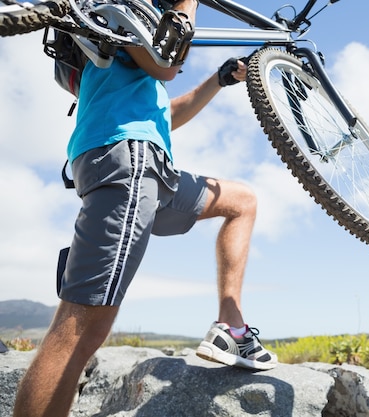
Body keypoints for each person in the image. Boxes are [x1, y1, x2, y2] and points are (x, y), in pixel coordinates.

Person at [12, 0, 277, 415]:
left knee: (241, 201)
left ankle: (231, 327)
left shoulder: (122, 77)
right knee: (80, 327)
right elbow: (167, 62)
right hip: (130, 162)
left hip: (149, 168)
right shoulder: (118, 14)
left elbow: (167, 112)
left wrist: (218, 80)